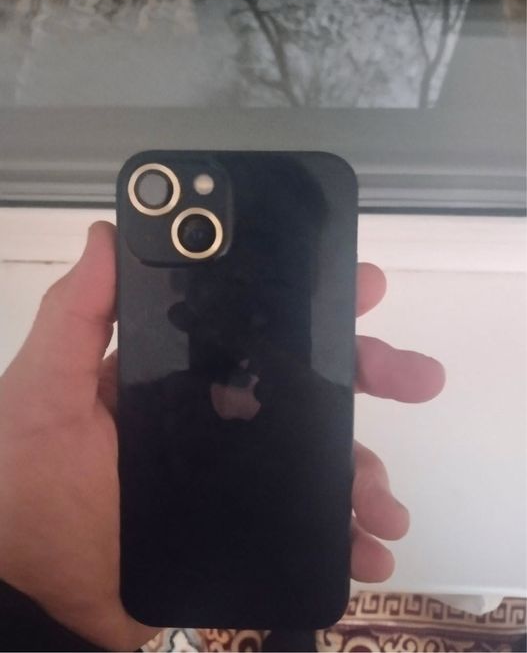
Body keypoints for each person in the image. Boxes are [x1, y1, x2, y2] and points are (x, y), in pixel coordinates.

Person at [0, 222, 445, 651]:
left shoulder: (170, 400)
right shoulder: (146, 405)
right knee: (298, 596)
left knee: (302, 553)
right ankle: (290, 634)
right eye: (222, 287)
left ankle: (290, 632)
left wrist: (47, 611)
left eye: (274, 285)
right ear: (185, 306)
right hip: (150, 564)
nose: (246, 312)